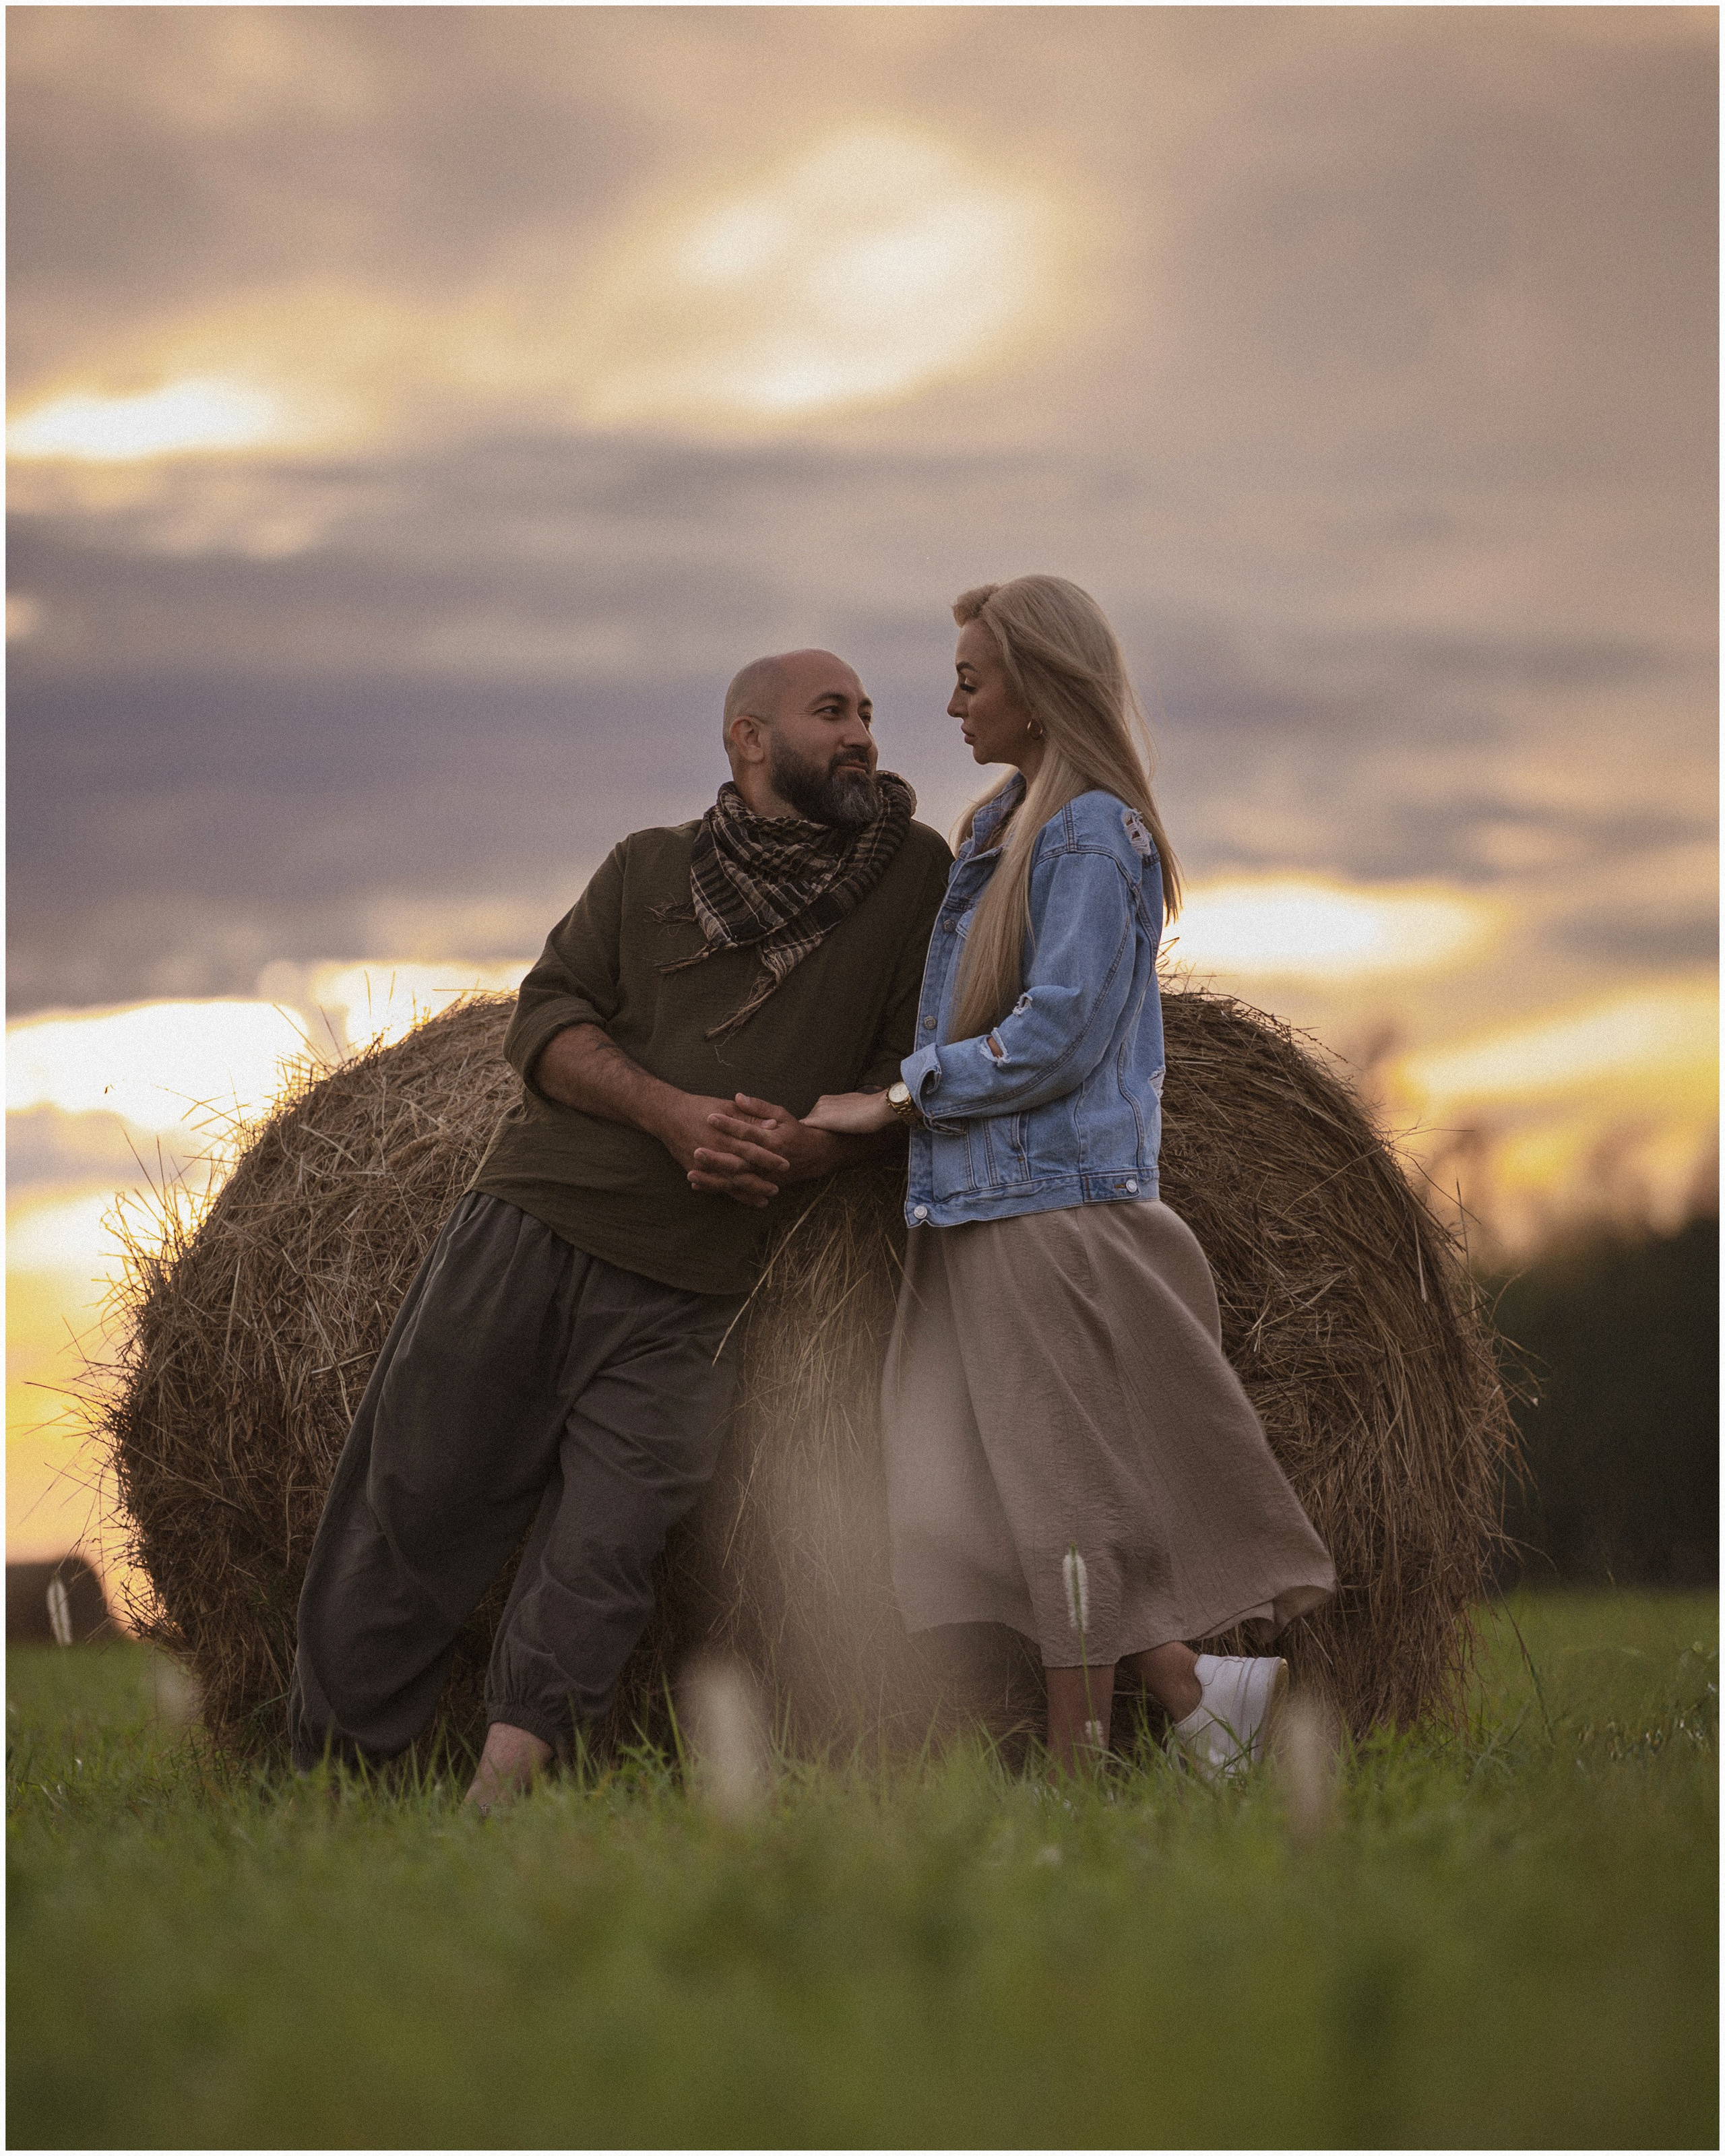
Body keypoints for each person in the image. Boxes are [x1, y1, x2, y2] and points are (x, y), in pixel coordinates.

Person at [288, 648, 953, 1808]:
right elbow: (544, 1018)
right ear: (749, 738)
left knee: (611, 1544)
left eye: (867, 715)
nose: (862, 736)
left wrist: (819, 1147)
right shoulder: (649, 867)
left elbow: (905, 1067)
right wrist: (670, 1112)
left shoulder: (912, 877)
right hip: (531, 1225)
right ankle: (330, 1783)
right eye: (831, 713)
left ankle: (501, 1801)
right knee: (415, 1502)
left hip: (697, 1285)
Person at [807, 577, 1336, 1776]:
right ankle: (1196, 1689)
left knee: (1062, 1510)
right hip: (983, 1214)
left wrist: (895, 1096)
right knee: (983, 1500)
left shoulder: (1093, 832)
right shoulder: (1003, 828)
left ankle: (1078, 1775)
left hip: (1044, 1215)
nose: (948, 704)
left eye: (971, 680)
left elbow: (1057, 1036)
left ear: (1040, 692)